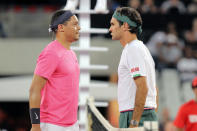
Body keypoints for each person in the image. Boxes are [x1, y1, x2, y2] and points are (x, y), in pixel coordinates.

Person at [29, 10, 80, 131]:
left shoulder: (71, 53)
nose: (79, 27)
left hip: (72, 124)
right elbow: (34, 90)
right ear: (61, 27)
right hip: (52, 125)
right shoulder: (51, 52)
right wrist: (35, 126)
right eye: (74, 24)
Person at [109, 7, 158, 128]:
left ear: (125, 25)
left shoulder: (133, 49)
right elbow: (152, 89)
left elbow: (143, 88)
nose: (110, 29)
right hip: (144, 113)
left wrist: (134, 122)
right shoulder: (139, 48)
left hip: (135, 116)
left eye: (113, 24)